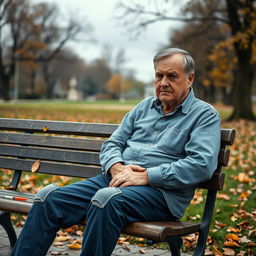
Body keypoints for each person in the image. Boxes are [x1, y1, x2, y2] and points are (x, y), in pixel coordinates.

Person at [11, 48, 221, 256]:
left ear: (190, 78)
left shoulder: (204, 115)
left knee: (106, 199)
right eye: (159, 76)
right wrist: (116, 167)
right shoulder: (143, 107)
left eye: (172, 76)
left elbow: (201, 164)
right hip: (115, 181)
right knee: (47, 198)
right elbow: (112, 143)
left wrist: (146, 176)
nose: (164, 82)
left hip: (162, 195)